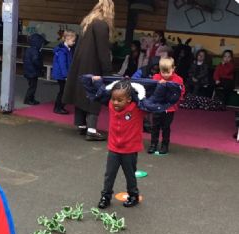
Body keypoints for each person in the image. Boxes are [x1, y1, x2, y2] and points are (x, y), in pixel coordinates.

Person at [83, 76, 182, 209]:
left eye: (119, 100)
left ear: (129, 99)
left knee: (130, 175)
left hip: (130, 150)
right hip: (114, 149)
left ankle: (133, 195)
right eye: (113, 99)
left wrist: (160, 86)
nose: (115, 103)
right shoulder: (111, 105)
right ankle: (105, 197)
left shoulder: (138, 109)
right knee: (109, 175)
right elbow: (102, 93)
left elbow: (153, 100)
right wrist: (98, 81)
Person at [63, 0, 115, 141]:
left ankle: (81, 125)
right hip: (93, 66)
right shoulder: (101, 25)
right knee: (94, 95)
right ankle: (91, 130)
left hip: (80, 64)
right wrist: (107, 72)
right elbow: (103, 51)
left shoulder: (88, 22)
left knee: (81, 93)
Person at [148, 57, 184, 155]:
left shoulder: (178, 79)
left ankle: (165, 145)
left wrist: (177, 100)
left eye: (168, 72)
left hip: (169, 108)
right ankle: (153, 144)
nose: (165, 74)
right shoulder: (156, 77)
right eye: (163, 72)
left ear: (173, 69)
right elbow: (151, 90)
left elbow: (180, 92)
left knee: (166, 127)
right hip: (157, 107)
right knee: (155, 126)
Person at [52, 30, 76, 114]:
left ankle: (59, 107)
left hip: (63, 74)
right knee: (63, 92)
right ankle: (58, 108)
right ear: (67, 39)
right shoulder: (62, 51)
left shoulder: (68, 49)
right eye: (73, 41)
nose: (74, 42)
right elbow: (62, 64)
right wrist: (66, 76)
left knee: (63, 91)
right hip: (61, 75)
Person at [23, 33, 47, 105]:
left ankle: (31, 99)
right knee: (32, 87)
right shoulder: (35, 51)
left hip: (28, 71)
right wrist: (41, 67)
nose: (42, 45)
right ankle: (28, 100)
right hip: (33, 72)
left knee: (31, 86)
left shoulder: (28, 49)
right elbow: (36, 60)